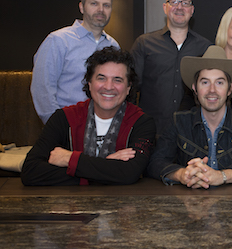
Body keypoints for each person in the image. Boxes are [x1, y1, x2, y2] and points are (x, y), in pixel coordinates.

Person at [21, 47, 155, 186]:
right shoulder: (64, 118)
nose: (108, 86)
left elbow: (129, 174)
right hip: (68, 204)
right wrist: (107, 168)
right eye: (101, 78)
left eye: (118, 80)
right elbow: (30, 172)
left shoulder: (142, 123)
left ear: (128, 88)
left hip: (122, 205)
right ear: (90, 84)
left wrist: (70, 159)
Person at [147, 45, 232, 188]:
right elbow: (155, 162)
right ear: (194, 88)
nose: (212, 90)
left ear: (229, 89)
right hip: (189, 205)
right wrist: (182, 174)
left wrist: (223, 176)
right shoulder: (179, 121)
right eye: (205, 82)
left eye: (219, 82)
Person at [31, 0, 120, 124]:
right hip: (67, 126)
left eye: (106, 5)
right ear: (81, 7)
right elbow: (43, 89)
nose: (100, 10)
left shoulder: (113, 45)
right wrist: (57, 127)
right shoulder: (58, 40)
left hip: (104, 128)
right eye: (94, 4)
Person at [131, 0, 212, 135]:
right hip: (151, 130)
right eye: (174, 2)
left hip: (191, 132)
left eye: (185, 3)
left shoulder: (205, 47)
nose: (179, 7)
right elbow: (131, 87)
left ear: (192, 10)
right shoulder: (144, 43)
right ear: (165, 7)